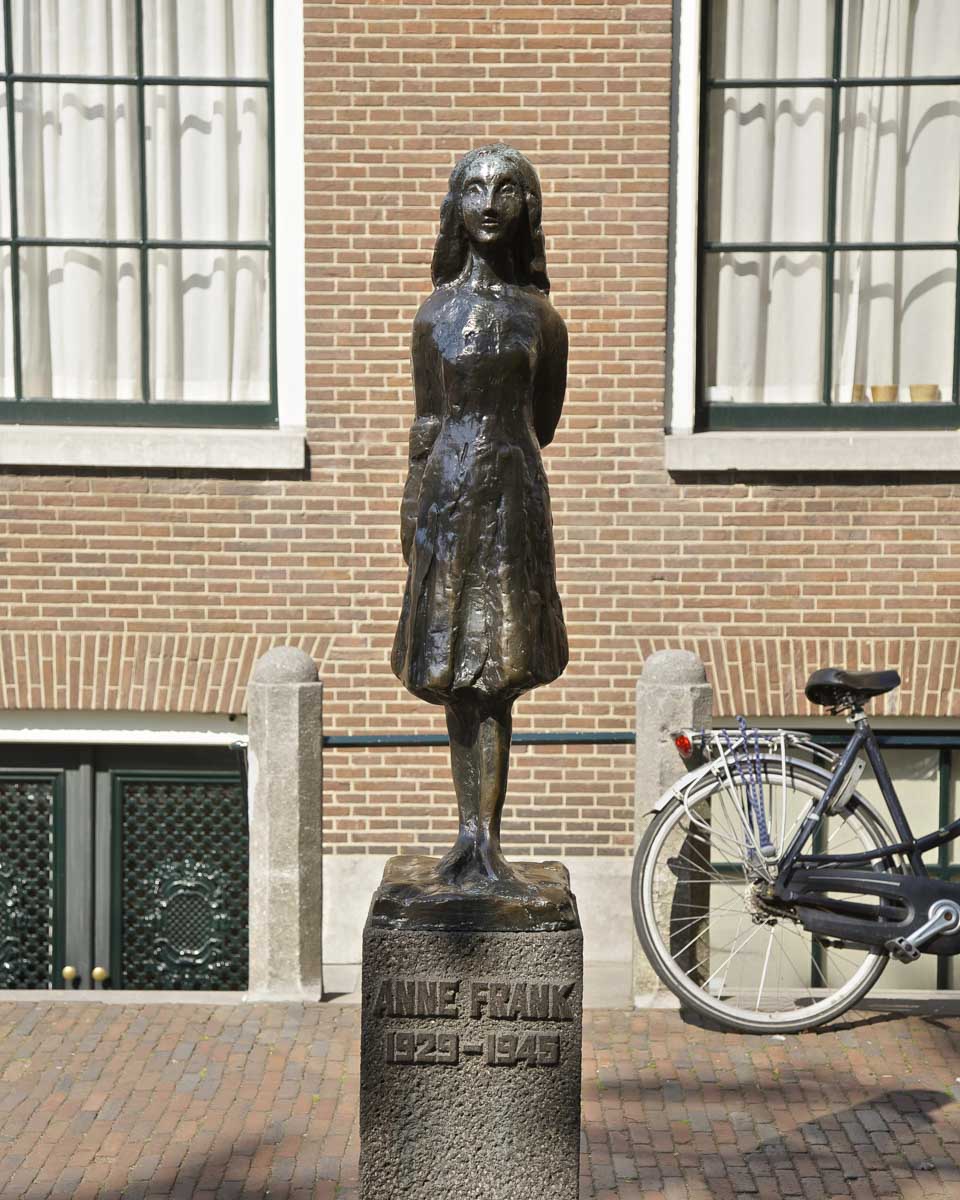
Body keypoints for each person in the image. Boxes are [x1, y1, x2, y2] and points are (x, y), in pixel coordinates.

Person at [391, 144, 569, 890]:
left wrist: (501, 467)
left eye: (506, 189)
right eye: (474, 188)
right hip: (447, 495)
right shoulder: (434, 315)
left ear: (526, 207)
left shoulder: (541, 320)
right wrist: (412, 511)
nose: (490, 202)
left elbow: (544, 420)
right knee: (456, 670)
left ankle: (487, 842)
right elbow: (426, 422)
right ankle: (467, 837)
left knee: (500, 669)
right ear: (456, 207)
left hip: (513, 499)